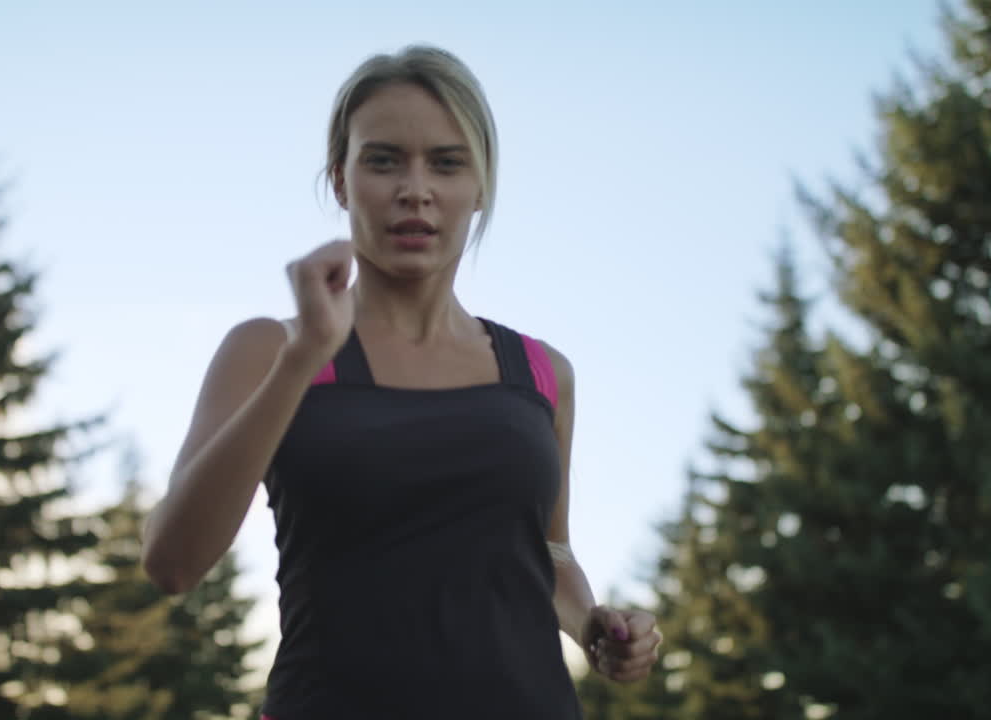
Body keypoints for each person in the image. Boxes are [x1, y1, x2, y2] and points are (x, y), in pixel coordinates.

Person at [141, 45, 662, 718]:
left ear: (481, 187)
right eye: (384, 161)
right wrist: (304, 358)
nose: (415, 189)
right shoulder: (271, 350)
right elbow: (173, 563)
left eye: (446, 163)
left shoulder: (541, 372)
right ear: (341, 180)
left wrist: (593, 626)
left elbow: (550, 555)